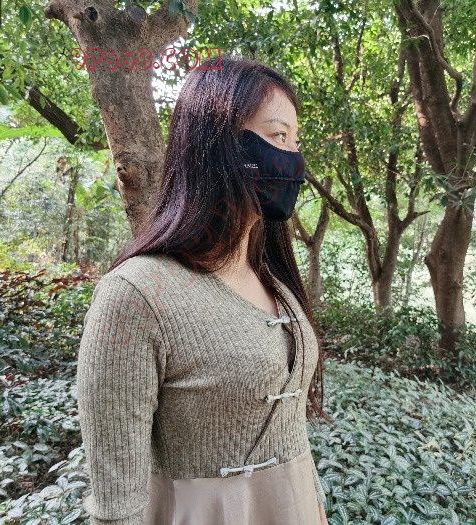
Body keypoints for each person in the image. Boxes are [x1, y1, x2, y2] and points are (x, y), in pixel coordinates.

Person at [76, 55, 333, 524]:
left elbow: (292, 433)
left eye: (296, 142)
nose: (294, 159)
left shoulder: (273, 281)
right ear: (218, 144)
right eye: (278, 136)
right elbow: (117, 506)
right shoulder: (136, 295)